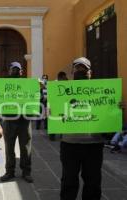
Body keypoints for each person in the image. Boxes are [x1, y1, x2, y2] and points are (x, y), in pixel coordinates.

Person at [60, 57, 105, 200]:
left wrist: (116, 108)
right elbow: (57, 114)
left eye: (84, 69)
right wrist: (51, 111)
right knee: (68, 181)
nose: (80, 71)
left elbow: (107, 112)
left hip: (94, 144)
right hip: (70, 144)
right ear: (72, 71)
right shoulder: (62, 92)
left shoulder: (102, 91)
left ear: (90, 72)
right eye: (77, 68)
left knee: (93, 182)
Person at [0, 61, 33, 183]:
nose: (15, 71)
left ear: (21, 71)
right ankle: (9, 171)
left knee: (26, 147)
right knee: (9, 147)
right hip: (9, 120)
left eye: (17, 69)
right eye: (13, 69)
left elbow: (35, 98)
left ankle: (26, 171)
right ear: (9, 71)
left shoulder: (28, 84)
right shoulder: (3, 84)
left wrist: (40, 88)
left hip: (24, 120)